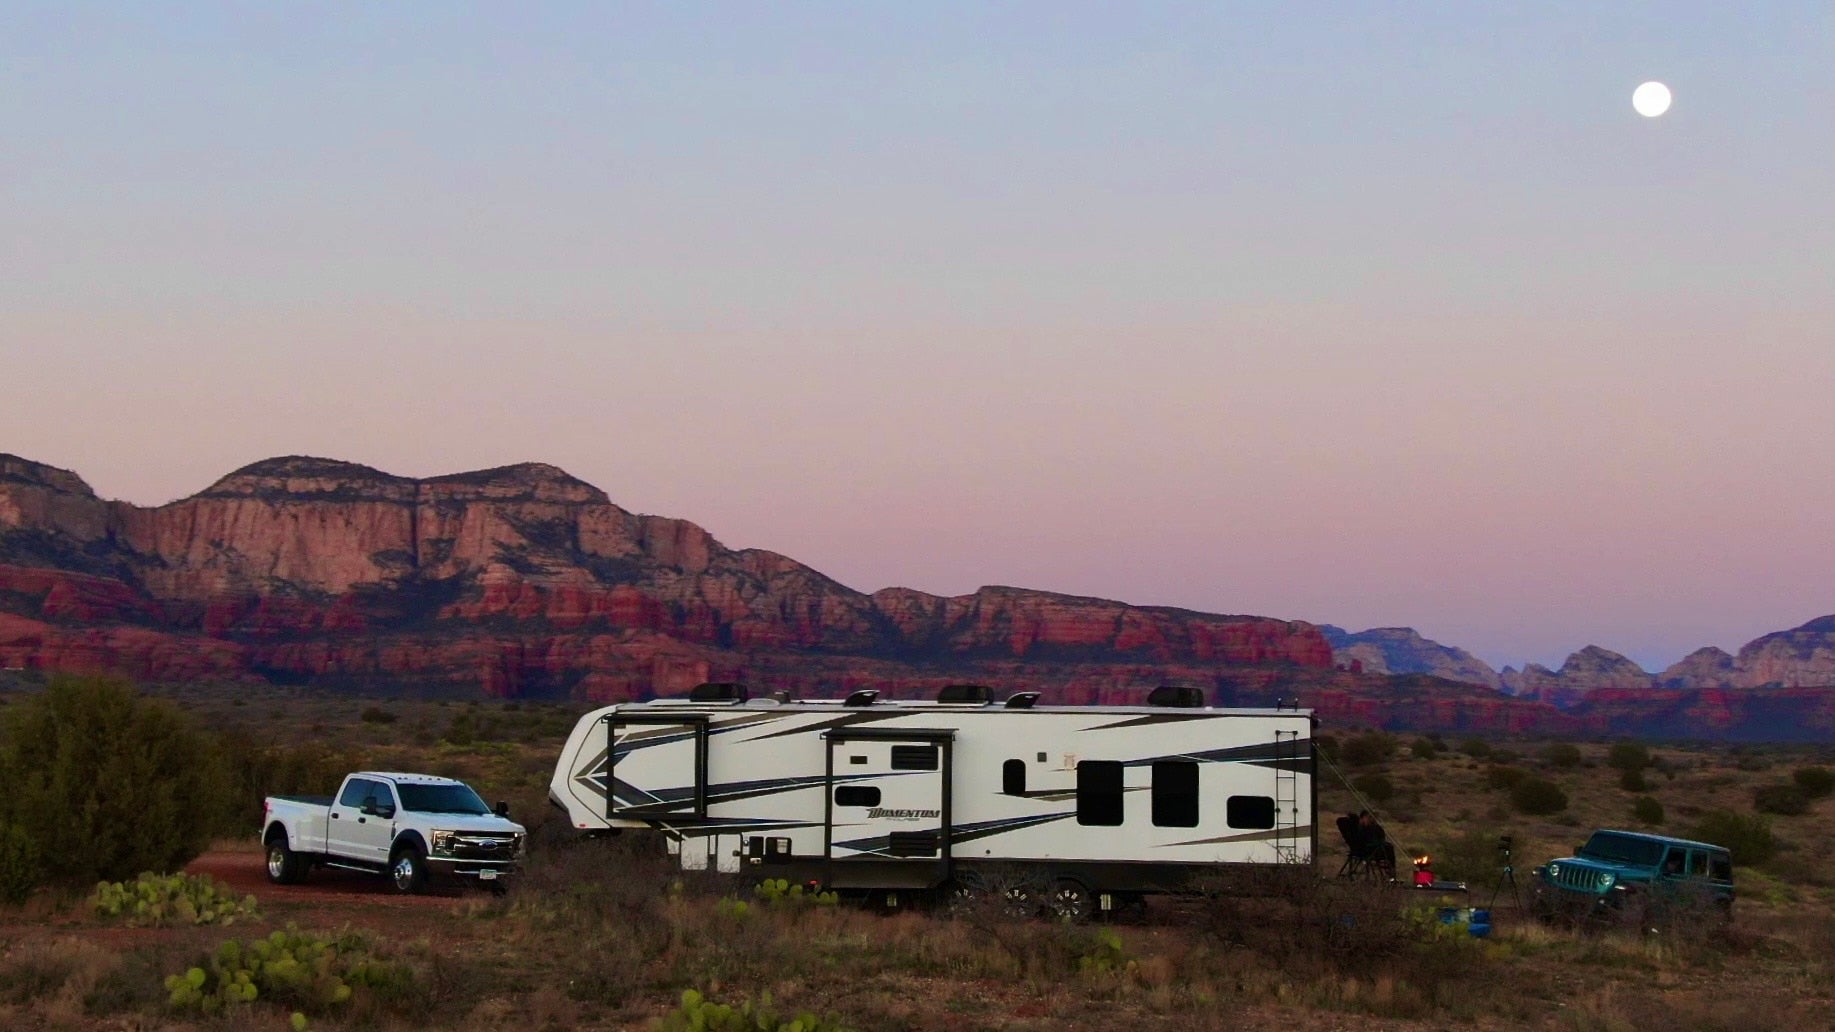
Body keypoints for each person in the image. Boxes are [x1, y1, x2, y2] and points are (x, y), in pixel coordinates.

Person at [1358, 810, 1398, 881]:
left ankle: (1391, 874)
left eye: (1371, 817)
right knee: (1389, 848)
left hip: (1375, 850)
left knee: (1389, 848)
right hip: (1369, 851)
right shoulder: (1361, 829)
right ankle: (1391, 875)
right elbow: (1363, 840)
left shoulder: (1375, 827)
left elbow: (1382, 837)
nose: (1371, 819)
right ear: (1363, 818)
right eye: (1368, 817)